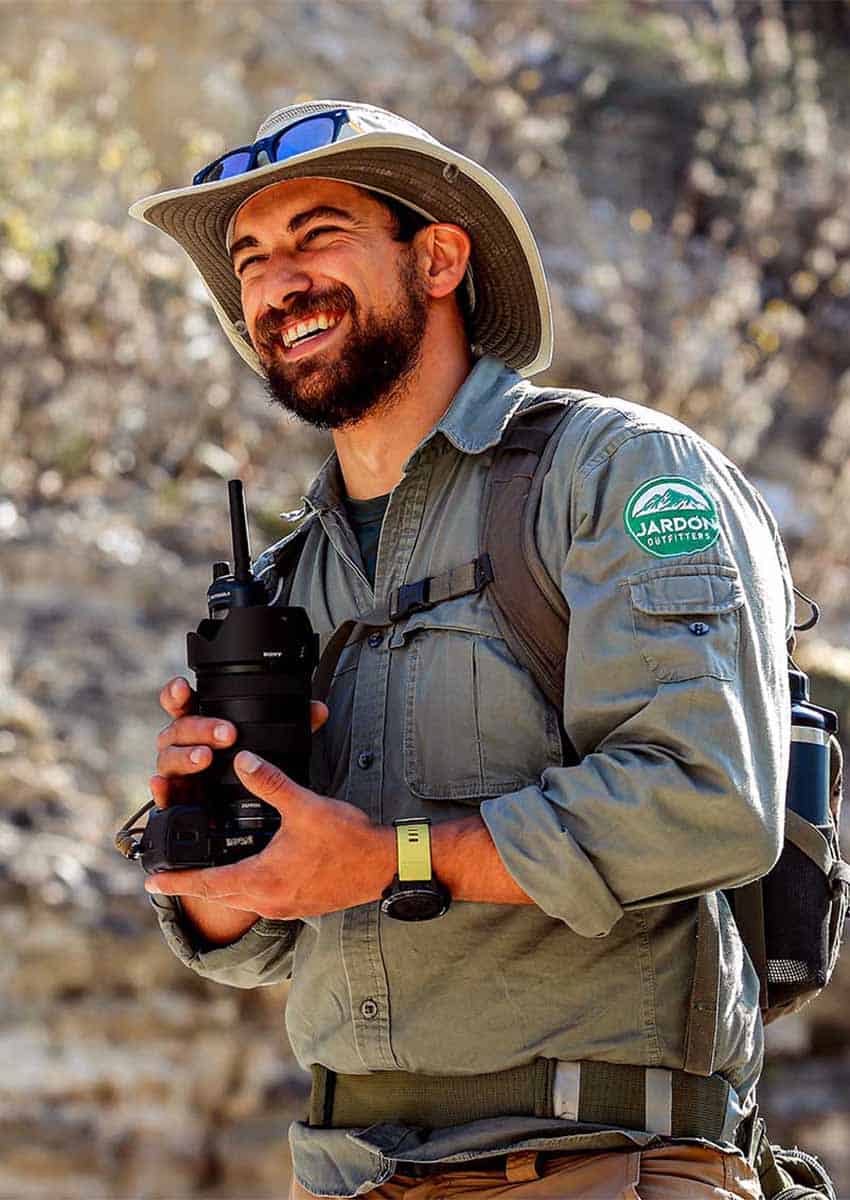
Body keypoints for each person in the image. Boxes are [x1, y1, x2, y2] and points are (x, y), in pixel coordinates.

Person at [129, 101, 792, 1199]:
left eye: (316, 235)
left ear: (437, 258)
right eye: (249, 262)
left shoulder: (615, 474)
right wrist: (211, 847)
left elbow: (708, 799)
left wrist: (393, 857)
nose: (274, 284)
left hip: (596, 1165)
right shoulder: (291, 578)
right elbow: (262, 937)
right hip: (347, 1174)